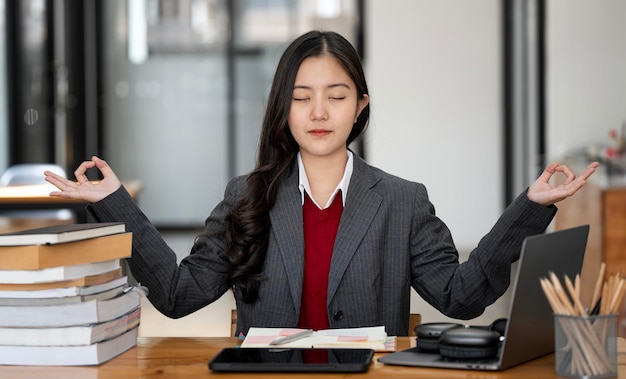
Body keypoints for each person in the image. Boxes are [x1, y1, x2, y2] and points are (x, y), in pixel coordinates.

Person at [44, 30, 599, 337]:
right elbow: (178, 294)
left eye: (336, 96)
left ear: (359, 107)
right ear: (283, 107)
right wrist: (112, 203)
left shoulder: (403, 200)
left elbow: (461, 298)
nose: (319, 112)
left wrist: (530, 206)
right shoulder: (246, 196)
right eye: (302, 96)